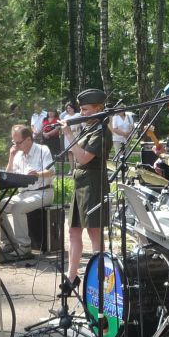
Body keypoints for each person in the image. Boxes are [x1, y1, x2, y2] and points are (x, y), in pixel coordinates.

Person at [59, 89, 112, 290]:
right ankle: (71, 277)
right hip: (80, 183)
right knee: (73, 231)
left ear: (98, 109)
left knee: (94, 231)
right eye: (81, 109)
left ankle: (101, 280)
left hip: (93, 184)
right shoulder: (88, 128)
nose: (81, 113)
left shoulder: (101, 131)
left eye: (86, 109)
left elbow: (82, 158)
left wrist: (68, 133)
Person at [0, 124, 55, 260]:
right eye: (14, 142)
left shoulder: (42, 149)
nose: (16, 146)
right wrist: (11, 156)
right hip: (23, 194)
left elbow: (52, 171)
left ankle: (24, 247)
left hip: (43, 192)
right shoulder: (17, 154)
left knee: (18, 207)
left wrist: (38, 174)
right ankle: (9, 242)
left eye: (18, 142)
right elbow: (7, 176)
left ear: (29, 139)